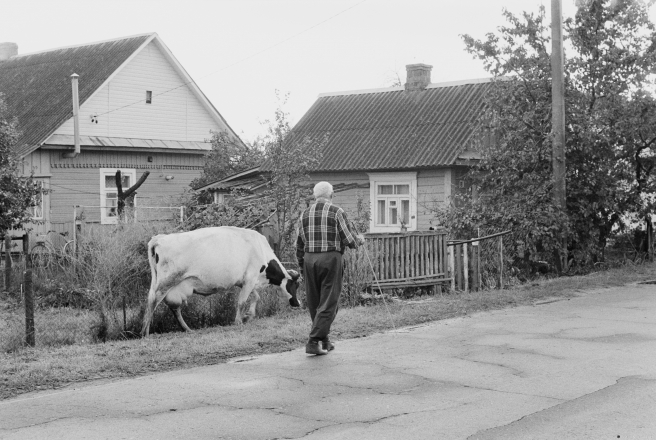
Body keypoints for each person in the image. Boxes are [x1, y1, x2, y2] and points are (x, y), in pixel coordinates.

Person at [296, 181, 365, 356]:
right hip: (330, 258)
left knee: (315, 301)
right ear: (331, 195)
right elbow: (349, 240)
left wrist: (302, 266)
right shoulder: (337, 212)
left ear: (314, 196)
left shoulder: (304, 214)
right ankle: (313, 341)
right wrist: (360, 240)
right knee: (329, 302)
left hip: (309, 259)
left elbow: (299, 244)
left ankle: (324, 341)